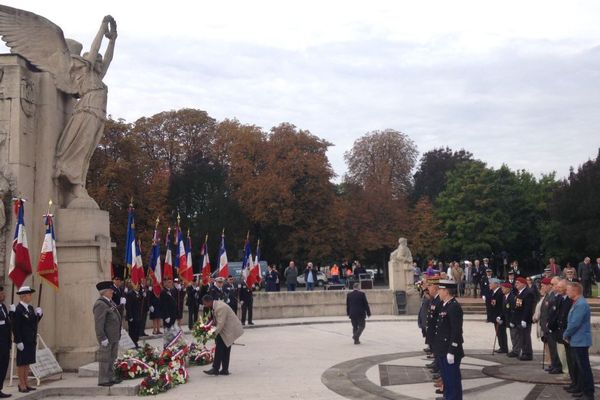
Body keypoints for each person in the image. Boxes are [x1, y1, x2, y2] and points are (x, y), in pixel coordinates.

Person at [432, 280, 464, 400]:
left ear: (446, 291)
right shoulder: (445, 305)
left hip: (449, 350)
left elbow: (456, 331)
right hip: (442, 349)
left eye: (440, 289)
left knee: (452, 379)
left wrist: (452, 350)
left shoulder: (454, 307)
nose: (438, 292)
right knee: (446, 378)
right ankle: (447, 396)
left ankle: (453, 398)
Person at [563, 282, 594, 400]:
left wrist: (566, 334)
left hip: (580, 340)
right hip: (577, 340)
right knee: (580, 367)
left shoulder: (581, 304)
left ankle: (588, 393)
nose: (567, 292)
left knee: (584, 367)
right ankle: (583, 390)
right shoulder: (577, 303)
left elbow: (575, 323)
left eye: (568, 290)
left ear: (575, 291)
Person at [202, 295, 244, 376]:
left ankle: (215, 368)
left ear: (209, 302)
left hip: (228, 329)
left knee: (219, 348)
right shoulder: (216, 306)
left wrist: (211, 333)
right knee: (225, 348)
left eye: (205, 304)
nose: (205, 306)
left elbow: (220, 324)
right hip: (226, 329)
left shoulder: (220, 307)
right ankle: (224, 369)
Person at [12, 287, 43, 393]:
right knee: (21, 363)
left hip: (30, 339)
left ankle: (26, 382)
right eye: (29, 295)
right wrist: (18, 340)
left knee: (27, 361)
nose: (31, 296)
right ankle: (21, 384)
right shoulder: (18, 309)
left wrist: (39, 315)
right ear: (23, 296)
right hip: (23, 340)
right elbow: (15, 326)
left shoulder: (30, 308)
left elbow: (33, 324)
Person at [93, 281, 122, 387]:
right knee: (105, 358)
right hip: (107, 337)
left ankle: (110, 377)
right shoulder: (100, 304)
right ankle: (103, 379)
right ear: (104, 292)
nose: (112, 292)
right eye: (110, 290)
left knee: (112, 357)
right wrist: (102, 337)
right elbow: (99, 323)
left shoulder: (110, 302)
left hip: (114, 336)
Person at [542, 277, 563, 374]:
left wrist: (550, 324)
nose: (552, 286)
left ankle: (557, 365)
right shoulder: (551, 295)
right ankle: (554, 364)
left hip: (554, 326)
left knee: (554, 347)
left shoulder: (556, 296)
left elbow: (555, 312)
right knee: (551, 347)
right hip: (549, 325)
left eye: (553, 284)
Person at [512, 277, 534, 361]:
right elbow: (518, 306)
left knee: (525, 337)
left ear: (523, 284)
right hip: (519, 318)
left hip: (524, 319)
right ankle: (524, 352)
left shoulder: (528, 293)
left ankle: (528, 354)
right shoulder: (520, 292)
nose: (516, 284)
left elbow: (527, 308)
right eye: (516, 282)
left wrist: (524, 319)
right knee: (522, 337)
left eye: (518, 282)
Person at [486, 279, 507, 353]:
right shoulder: (493, 292)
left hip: (500, 316)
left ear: (496, 284)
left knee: (501, 332)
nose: (489, 285)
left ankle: (504, 348)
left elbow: (502, 306)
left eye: (491, 283)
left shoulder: (500, 293)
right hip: (495, 316)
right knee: (498, 332)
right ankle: (502, 346)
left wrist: (500, 316)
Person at [0, 286, 11, 398]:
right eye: (2, 293)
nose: (4, 295)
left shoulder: (3, 306)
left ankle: (0, 388)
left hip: (5, 343)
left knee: (3, 366)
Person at [125, 282, 143, 348]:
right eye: (136, 285)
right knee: (132, 330)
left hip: (138, 315)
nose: (138, 287)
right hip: (132, 316)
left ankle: (136, 342)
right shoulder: (130, 294)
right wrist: (130, 316)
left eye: (139, 286)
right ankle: (132, 343)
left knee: (137, 330)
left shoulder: (140, 294)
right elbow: (128, 306)